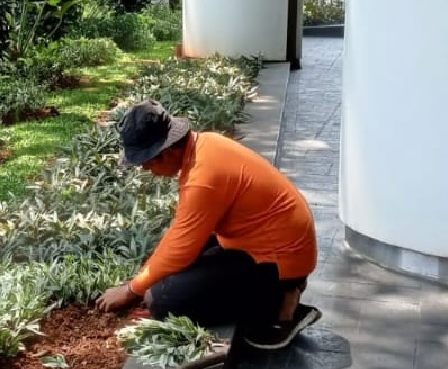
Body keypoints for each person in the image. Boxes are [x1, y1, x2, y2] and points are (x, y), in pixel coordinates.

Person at [95, 100, 322, 350]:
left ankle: (280, 304)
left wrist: (130, 290)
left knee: (161, 299)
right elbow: (182, 237)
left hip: (278, 260)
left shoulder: (203, 178)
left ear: (167, 152)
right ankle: (278, 290)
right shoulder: (205, 144)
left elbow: (180, 249)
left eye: (146, 162)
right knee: (163, 269)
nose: (146, 169)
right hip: (265, 244)